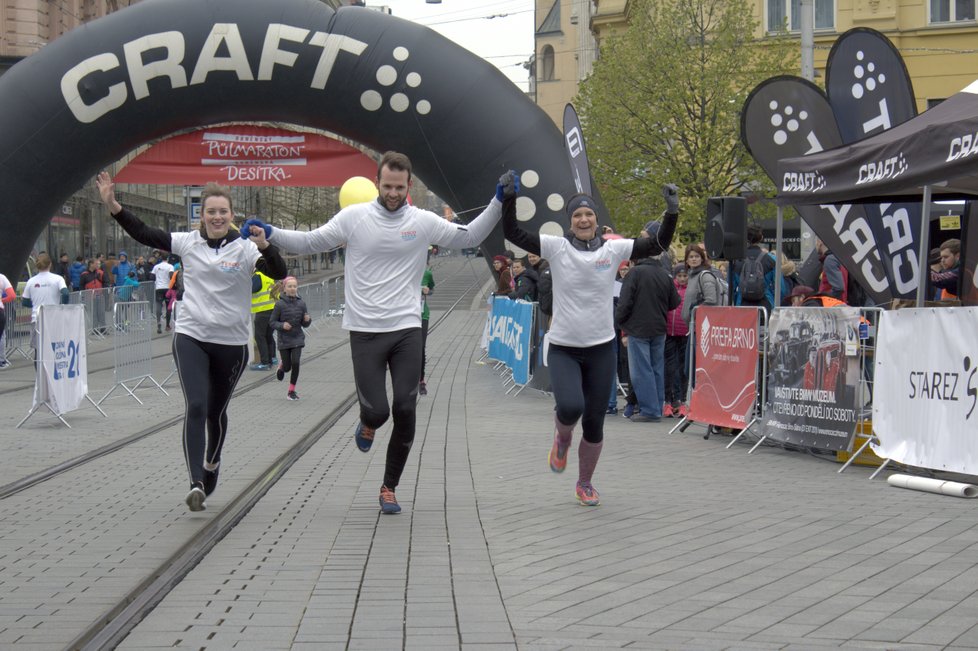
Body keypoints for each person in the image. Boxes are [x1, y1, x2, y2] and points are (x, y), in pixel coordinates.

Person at [244, 151, 508, 515]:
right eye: (387, 186)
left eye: (400, 187)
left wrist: (497, 200)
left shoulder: (423, 221)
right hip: (365, 331)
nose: (393, 193)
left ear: (409, 185)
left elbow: (470, 235)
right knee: (380, 412)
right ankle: (368, 423)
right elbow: (310, 241)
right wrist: (269, 232)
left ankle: (389, 487)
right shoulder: (355, 217)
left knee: (405, 406)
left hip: (406, 328)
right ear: (377, 183)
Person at [96, 171, 288, 512]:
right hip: (191, 336)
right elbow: (144, 232)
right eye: (210, 212)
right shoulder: (187, 242)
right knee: (197, 406)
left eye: (222, 212)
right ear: (202, 216)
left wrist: (265, 245)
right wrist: (113, 206)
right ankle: (196, 481)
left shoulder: (244, 249)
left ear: (231, 216)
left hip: (230, 344)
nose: (216, 217)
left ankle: (212, 462)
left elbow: (277, 271)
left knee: (216, 412)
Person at [502, 181, 679, 506]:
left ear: (595, 219)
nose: (584, 220)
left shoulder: (613, 249)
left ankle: (584, 483)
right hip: (564, 348)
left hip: (601, 349)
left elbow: (656, 245)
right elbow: (514, 233)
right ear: (570, 220)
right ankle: (562, 437)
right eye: (578, 215)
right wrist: (509, 198)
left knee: (595, 422)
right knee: (570, 407)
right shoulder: (556, 247)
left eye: (589, 214)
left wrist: (671, 212)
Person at [616, 253, 681, 423]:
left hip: (638, 328)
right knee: (656, 368)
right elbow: (675, 302)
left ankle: (650, 410)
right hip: (659, 327)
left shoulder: (634, 273)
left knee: (641, 370)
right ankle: (656, 407)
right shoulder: (664, 274)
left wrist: (619, 321)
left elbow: (625, 302)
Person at [21, 252, 70, 358]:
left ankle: (39, 374)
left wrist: (35, 305)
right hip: (54, 318)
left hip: (37, 318)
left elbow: (24, 301)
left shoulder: (31, 281)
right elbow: (65, 293)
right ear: (50, 264)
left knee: (38, 351)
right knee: (54, 347)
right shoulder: (58, 279)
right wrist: (62, 305)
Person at [270, 276, 310, 400]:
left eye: (295, 286)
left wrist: (307, 320)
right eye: (290, 286)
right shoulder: (279, 305)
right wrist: (282, 325)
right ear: (285, 289)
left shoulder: (301, 303)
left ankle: (291, 391)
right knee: (288, 367)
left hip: (297, 338)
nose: (293, 289)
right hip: (284, 340)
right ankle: (282, 366)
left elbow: (305, 323)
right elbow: (272, 322)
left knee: (296, 363)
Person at [731, 225, 777, 312]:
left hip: (742, 304)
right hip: (766, 304)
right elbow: (780, 288)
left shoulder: (736, 260)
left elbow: (731, 286)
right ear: (761, 238)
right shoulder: (771, 259)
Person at [664, 264, 689, 417]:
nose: (682, 278)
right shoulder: (670, 288)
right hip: (669, 332)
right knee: (669, 367)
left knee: (682, 368)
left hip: (684, 332)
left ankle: (681, 400)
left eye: (684, 276)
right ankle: (668, 400)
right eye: (679, 276)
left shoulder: (690, 289)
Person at [250, 269, 277, 370]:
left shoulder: (258, 276)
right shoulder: (269, 276)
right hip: (273, 309)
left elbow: (252, 289)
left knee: (259, 336)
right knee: (268, 336)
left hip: (263, 310)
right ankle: (270, 360)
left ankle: (265, 362)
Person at [419, 256, 435, 396]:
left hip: (422, 315)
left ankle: (421, 380)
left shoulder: (427, 274)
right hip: (404, 317)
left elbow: (432, 289)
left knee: (420, 348)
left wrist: (427, 291)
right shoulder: (402, 272)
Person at [150, 254, 174, 333]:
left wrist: (158, 279)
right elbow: (171, 276)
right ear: (167, 258)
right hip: (167, 288)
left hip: (158, 288)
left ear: (160, 258)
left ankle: (158, 323)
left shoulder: (156, 267)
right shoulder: (170, 266)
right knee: (168, 307)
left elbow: (152, 277)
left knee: (159, 305)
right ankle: (167, 325)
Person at [0, 271, 16, 369]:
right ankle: (1, 361)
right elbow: (12, 295)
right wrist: (2, 301)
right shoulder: (2, 277)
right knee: (1, 336)